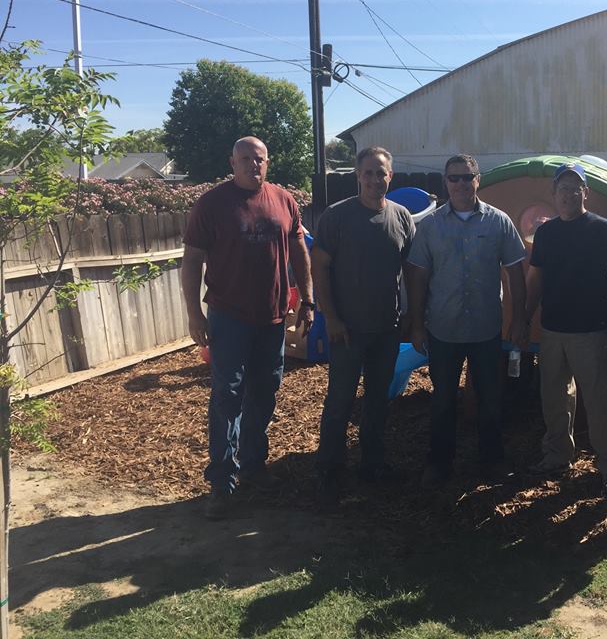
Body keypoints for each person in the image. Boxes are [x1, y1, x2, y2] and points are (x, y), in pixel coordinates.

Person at [182, 136, 313, 520]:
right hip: (229, 317)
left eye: (259, 160)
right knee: (227, 395)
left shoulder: (284, 200)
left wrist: (307, 300)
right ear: (232, 162)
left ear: (267, 162)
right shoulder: (212, 204)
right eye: (245, 159)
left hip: (272, 318)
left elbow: (301, 251)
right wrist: (194, 314)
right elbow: (192, 262)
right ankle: (223, 482)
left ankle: (254, 466)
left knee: (265, 391)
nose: (252, 166)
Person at [407, 154, 528, 489]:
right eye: (453, 178)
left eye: (466, 177)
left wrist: (519, 319)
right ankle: (439, 463)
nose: (460, 184)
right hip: (443, 329)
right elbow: (417, 277)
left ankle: (491, 461)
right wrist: (417, 324)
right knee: (443, 398)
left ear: (479, 179)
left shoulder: (498, 222)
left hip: (486, 330)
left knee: (490, 398)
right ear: (445, 182)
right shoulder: (430, 226)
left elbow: (516, 272)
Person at [312, 146, 416, 505]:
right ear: (358, 175)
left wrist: (410, 315)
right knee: (340, 399)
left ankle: (372, 464)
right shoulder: (336, 217)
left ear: (391, 176)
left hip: (386, 329)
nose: (375, 179)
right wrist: (332, 317)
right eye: (368, 172)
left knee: (377, 401)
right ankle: (330, 469)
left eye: (381, 172)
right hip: (347, 330)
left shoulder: (402, 217)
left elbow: (411, 272)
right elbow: (319, 268)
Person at [525, 163, 607, 495]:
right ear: (553, 194)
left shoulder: (602, 230)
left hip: (592, 331)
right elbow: (536, 278)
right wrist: (524, 318)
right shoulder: (546, 233)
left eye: (575, 187)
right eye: (563, 188)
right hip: (552, 331)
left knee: (599, 402)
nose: (569, 194)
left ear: (586, 192)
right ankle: (558, 454)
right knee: (554, 398)